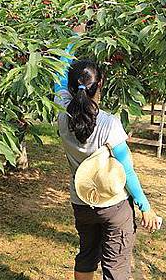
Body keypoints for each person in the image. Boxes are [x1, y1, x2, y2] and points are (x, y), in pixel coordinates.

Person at [54, 38, 160, 280]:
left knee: (87, 255)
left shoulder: (61, 112)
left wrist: (73, 37)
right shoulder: (109, 123)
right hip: (113, 205)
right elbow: (128, 171)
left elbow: (58, 71)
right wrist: (145, 206)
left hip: (81, 201)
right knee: (116, 264)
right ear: (100, 84)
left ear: (70, 86)